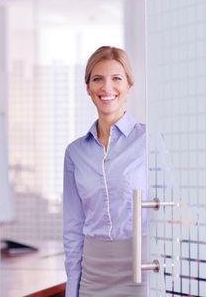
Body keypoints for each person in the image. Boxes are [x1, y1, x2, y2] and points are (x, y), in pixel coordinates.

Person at [63, 46, 147, 296]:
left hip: (140, 270)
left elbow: (169, 210)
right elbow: (73, 227)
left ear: (129, 86)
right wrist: (72, 288)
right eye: (98, 79)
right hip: (93, 274)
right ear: (88, 88)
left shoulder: (149, 141)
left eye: (116, 79)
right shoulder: (75, 153)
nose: (107, 88)